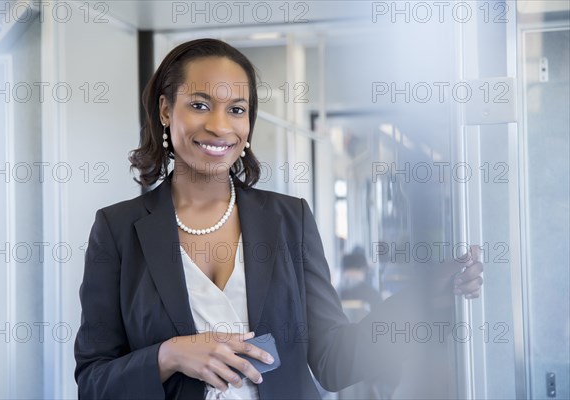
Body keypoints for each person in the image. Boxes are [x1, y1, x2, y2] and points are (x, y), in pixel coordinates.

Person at [74, 38, 484, 399]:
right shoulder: (117, 230)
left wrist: (423, 295)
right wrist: (169, 355)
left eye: (236, 109)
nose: (219, 126)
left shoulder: (290, 220)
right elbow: (94, 382)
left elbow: (335, 360)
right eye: (199, 105)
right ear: (165, 110)